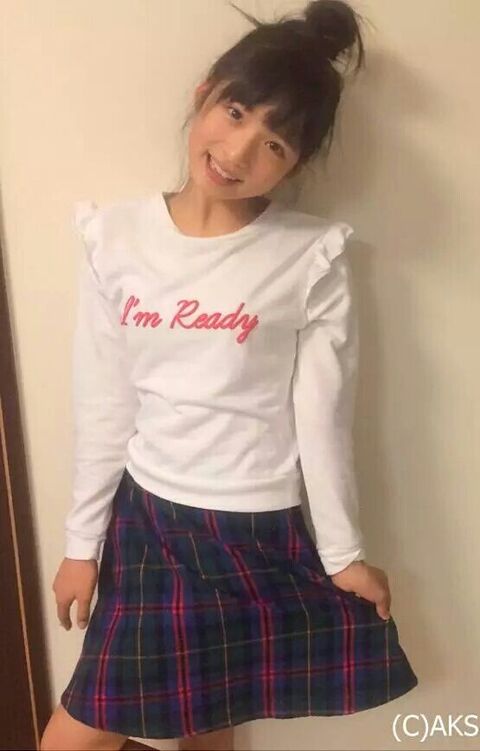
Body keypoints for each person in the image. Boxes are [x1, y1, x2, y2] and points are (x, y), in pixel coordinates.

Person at [41, 1, 418, 749]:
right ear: (205, 93)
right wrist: (81, 544)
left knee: (209, 726)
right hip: (149, 524)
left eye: (274, 142)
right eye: (236, 112)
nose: (239, 151)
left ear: (296, 164)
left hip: (256, 529)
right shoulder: (114, 238)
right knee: (77, 734)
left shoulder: (309, 257)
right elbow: (104, 400)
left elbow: (323, 417)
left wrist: (342, 554)